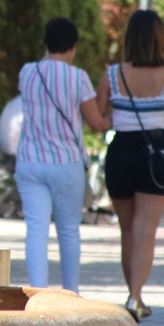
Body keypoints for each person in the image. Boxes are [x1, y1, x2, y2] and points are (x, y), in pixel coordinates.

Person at [95, 10, 164, 321]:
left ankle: (135, 295)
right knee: (146, 230)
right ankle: (135, 297)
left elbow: (99, 116)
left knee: (127, 231)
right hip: (156, 154)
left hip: (120, 150)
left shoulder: (112, 75)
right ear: (161, 38)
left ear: (129, 38)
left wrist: (118, 116)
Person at [14, 18, 111, 293]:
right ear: (73, 47)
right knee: (68, 231)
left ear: (45, 44)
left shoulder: (27, 72)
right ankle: (71, 292)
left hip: (30, 161)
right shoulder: (78, 77)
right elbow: (96, 123)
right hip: (66, 162)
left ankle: (37, 292)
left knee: (36, 229)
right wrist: (113, 117)